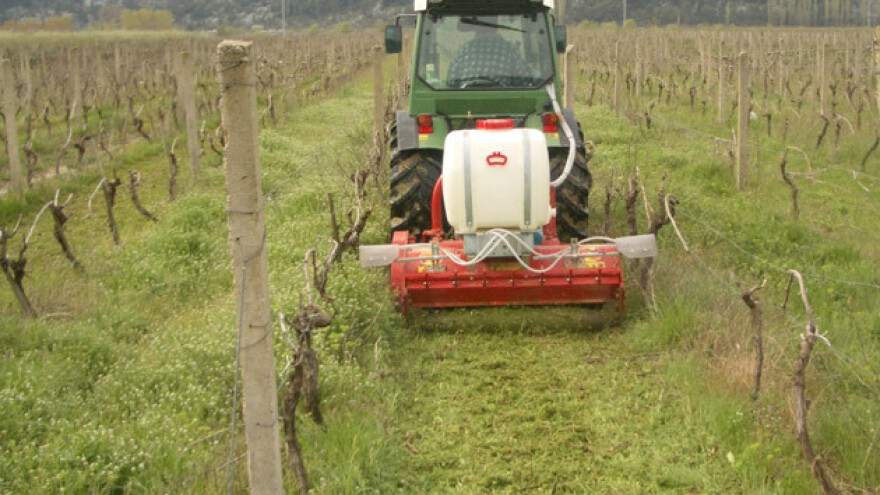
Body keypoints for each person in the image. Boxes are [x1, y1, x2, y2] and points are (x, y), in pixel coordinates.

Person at [446, 28, 531, 88]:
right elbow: (522, 80)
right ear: (496, 28)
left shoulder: (464, 50)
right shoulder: (510, 49)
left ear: (476, 29)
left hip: (466, 104)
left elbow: (451, 82)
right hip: (503, 102)